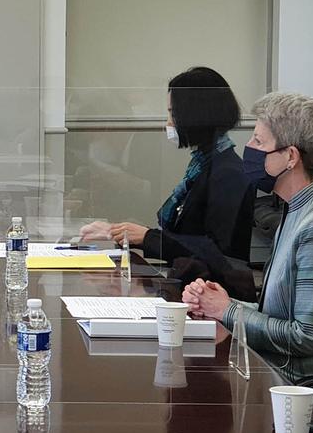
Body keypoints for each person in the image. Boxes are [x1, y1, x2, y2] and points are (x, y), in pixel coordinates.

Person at [182, 92, 313, 429]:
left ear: (291, 156)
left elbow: (304, 337)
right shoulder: (299, 208)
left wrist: (227, 311)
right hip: (289, 379)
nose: (248, 147)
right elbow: (280, 316)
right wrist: (216, 302)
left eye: (258, 140)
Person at [79, 67, 255, 299]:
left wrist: (146, 237)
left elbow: (216, 253)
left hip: (214, 297)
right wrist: (120, 232)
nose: (168, 122)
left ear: (194, 115)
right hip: (189, 288)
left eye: (173, 114)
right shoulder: (202, 165)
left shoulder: (227, 173)